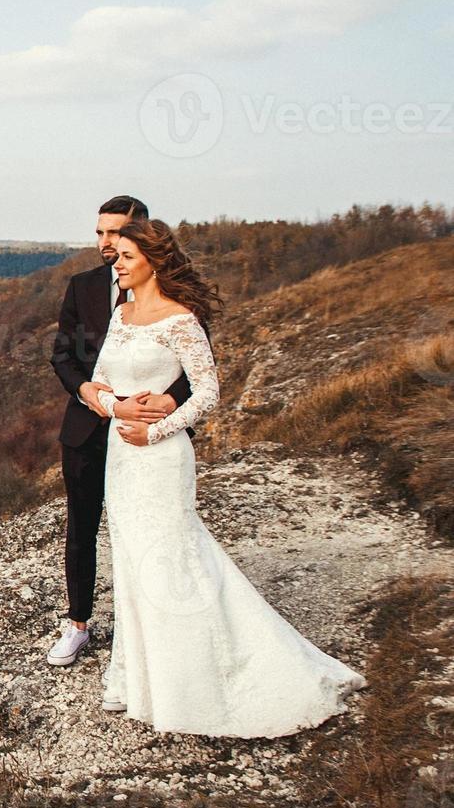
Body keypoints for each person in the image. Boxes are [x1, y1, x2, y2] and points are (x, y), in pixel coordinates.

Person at [83, 218, 366, 736]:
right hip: (120, 459)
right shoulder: (121, 314)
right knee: (131, 560)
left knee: (173, 562)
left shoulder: (181, 320)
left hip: (160, 457)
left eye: (124, 255)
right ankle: (142, 678)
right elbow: (95, 381)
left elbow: (208, 393)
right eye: (115, 255)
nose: (115, 263)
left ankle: (197, 681)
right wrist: (113, 404)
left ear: (152, 260)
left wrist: (158, 429)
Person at [47, 196, 189, 667]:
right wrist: (87, 390)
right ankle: (78, 625)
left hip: (146, 436)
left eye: (116, 233)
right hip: (88, 429)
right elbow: (62, 355)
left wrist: (173, 399)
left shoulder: (175, 296)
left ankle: (147, 630)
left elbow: (197, 365)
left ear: (143, 233)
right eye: (100, 233)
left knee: (148, 532)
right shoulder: (83, 286)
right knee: (82, 529)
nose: (106, 243)